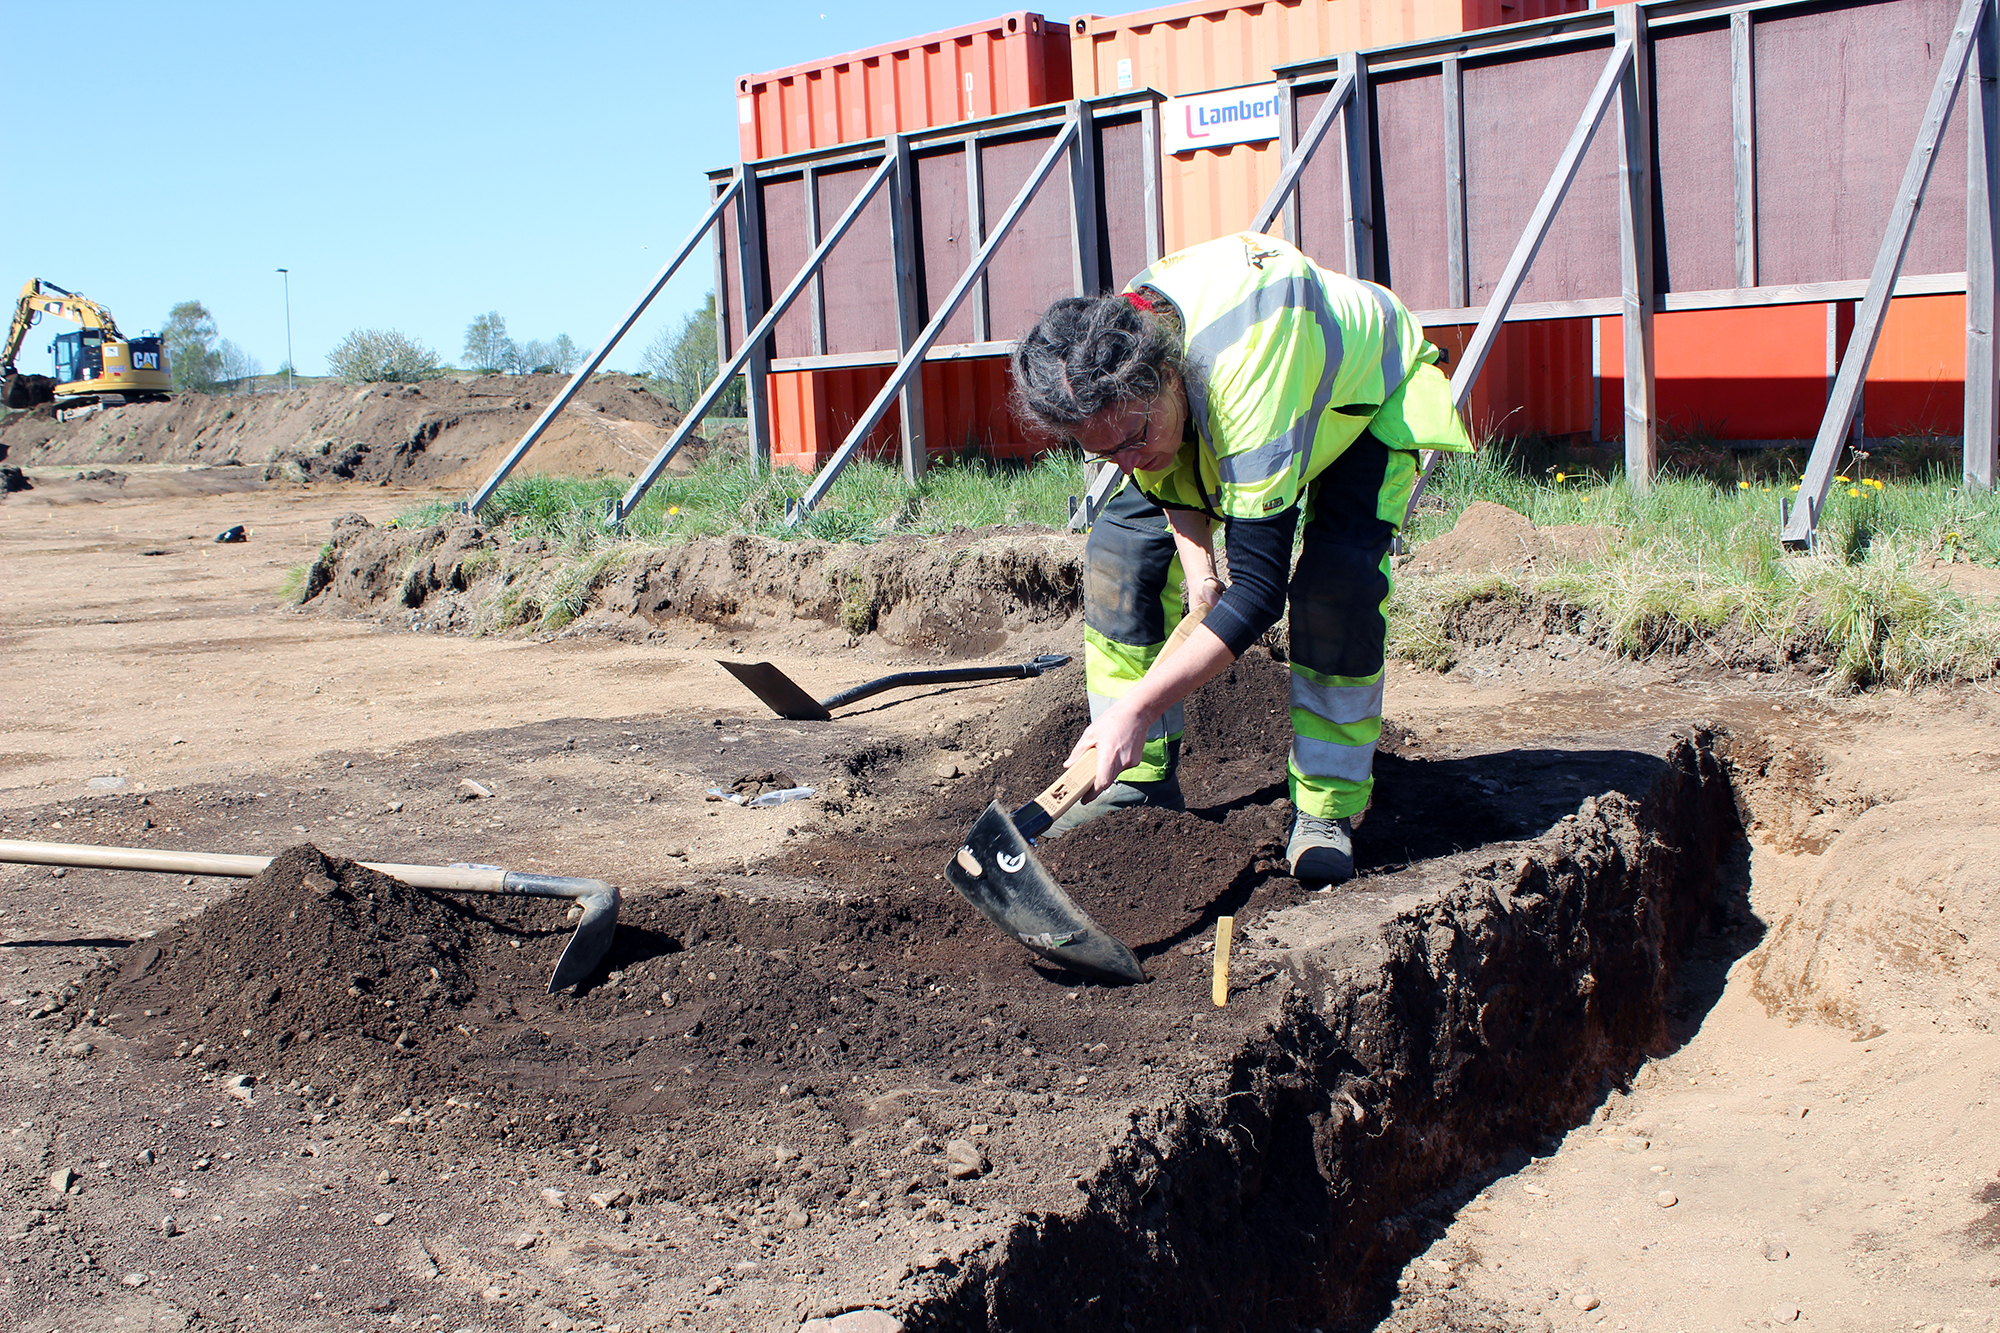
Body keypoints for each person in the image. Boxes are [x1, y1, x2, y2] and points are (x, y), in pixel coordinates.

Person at [1007, 232, 1472, 884]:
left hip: (1361, 399)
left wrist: (1135, 707)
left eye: (1133, 439)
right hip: (1222, 403)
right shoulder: (1112, 345)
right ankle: (1134, 777)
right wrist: (1199, 572)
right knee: (1121, 549)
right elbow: (1162, 468)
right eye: (1106, 453)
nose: (1126, 464)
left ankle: (1327, 808)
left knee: (1333, 587)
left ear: (1168, 375)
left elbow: (1258, 593)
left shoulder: (1247, 364)